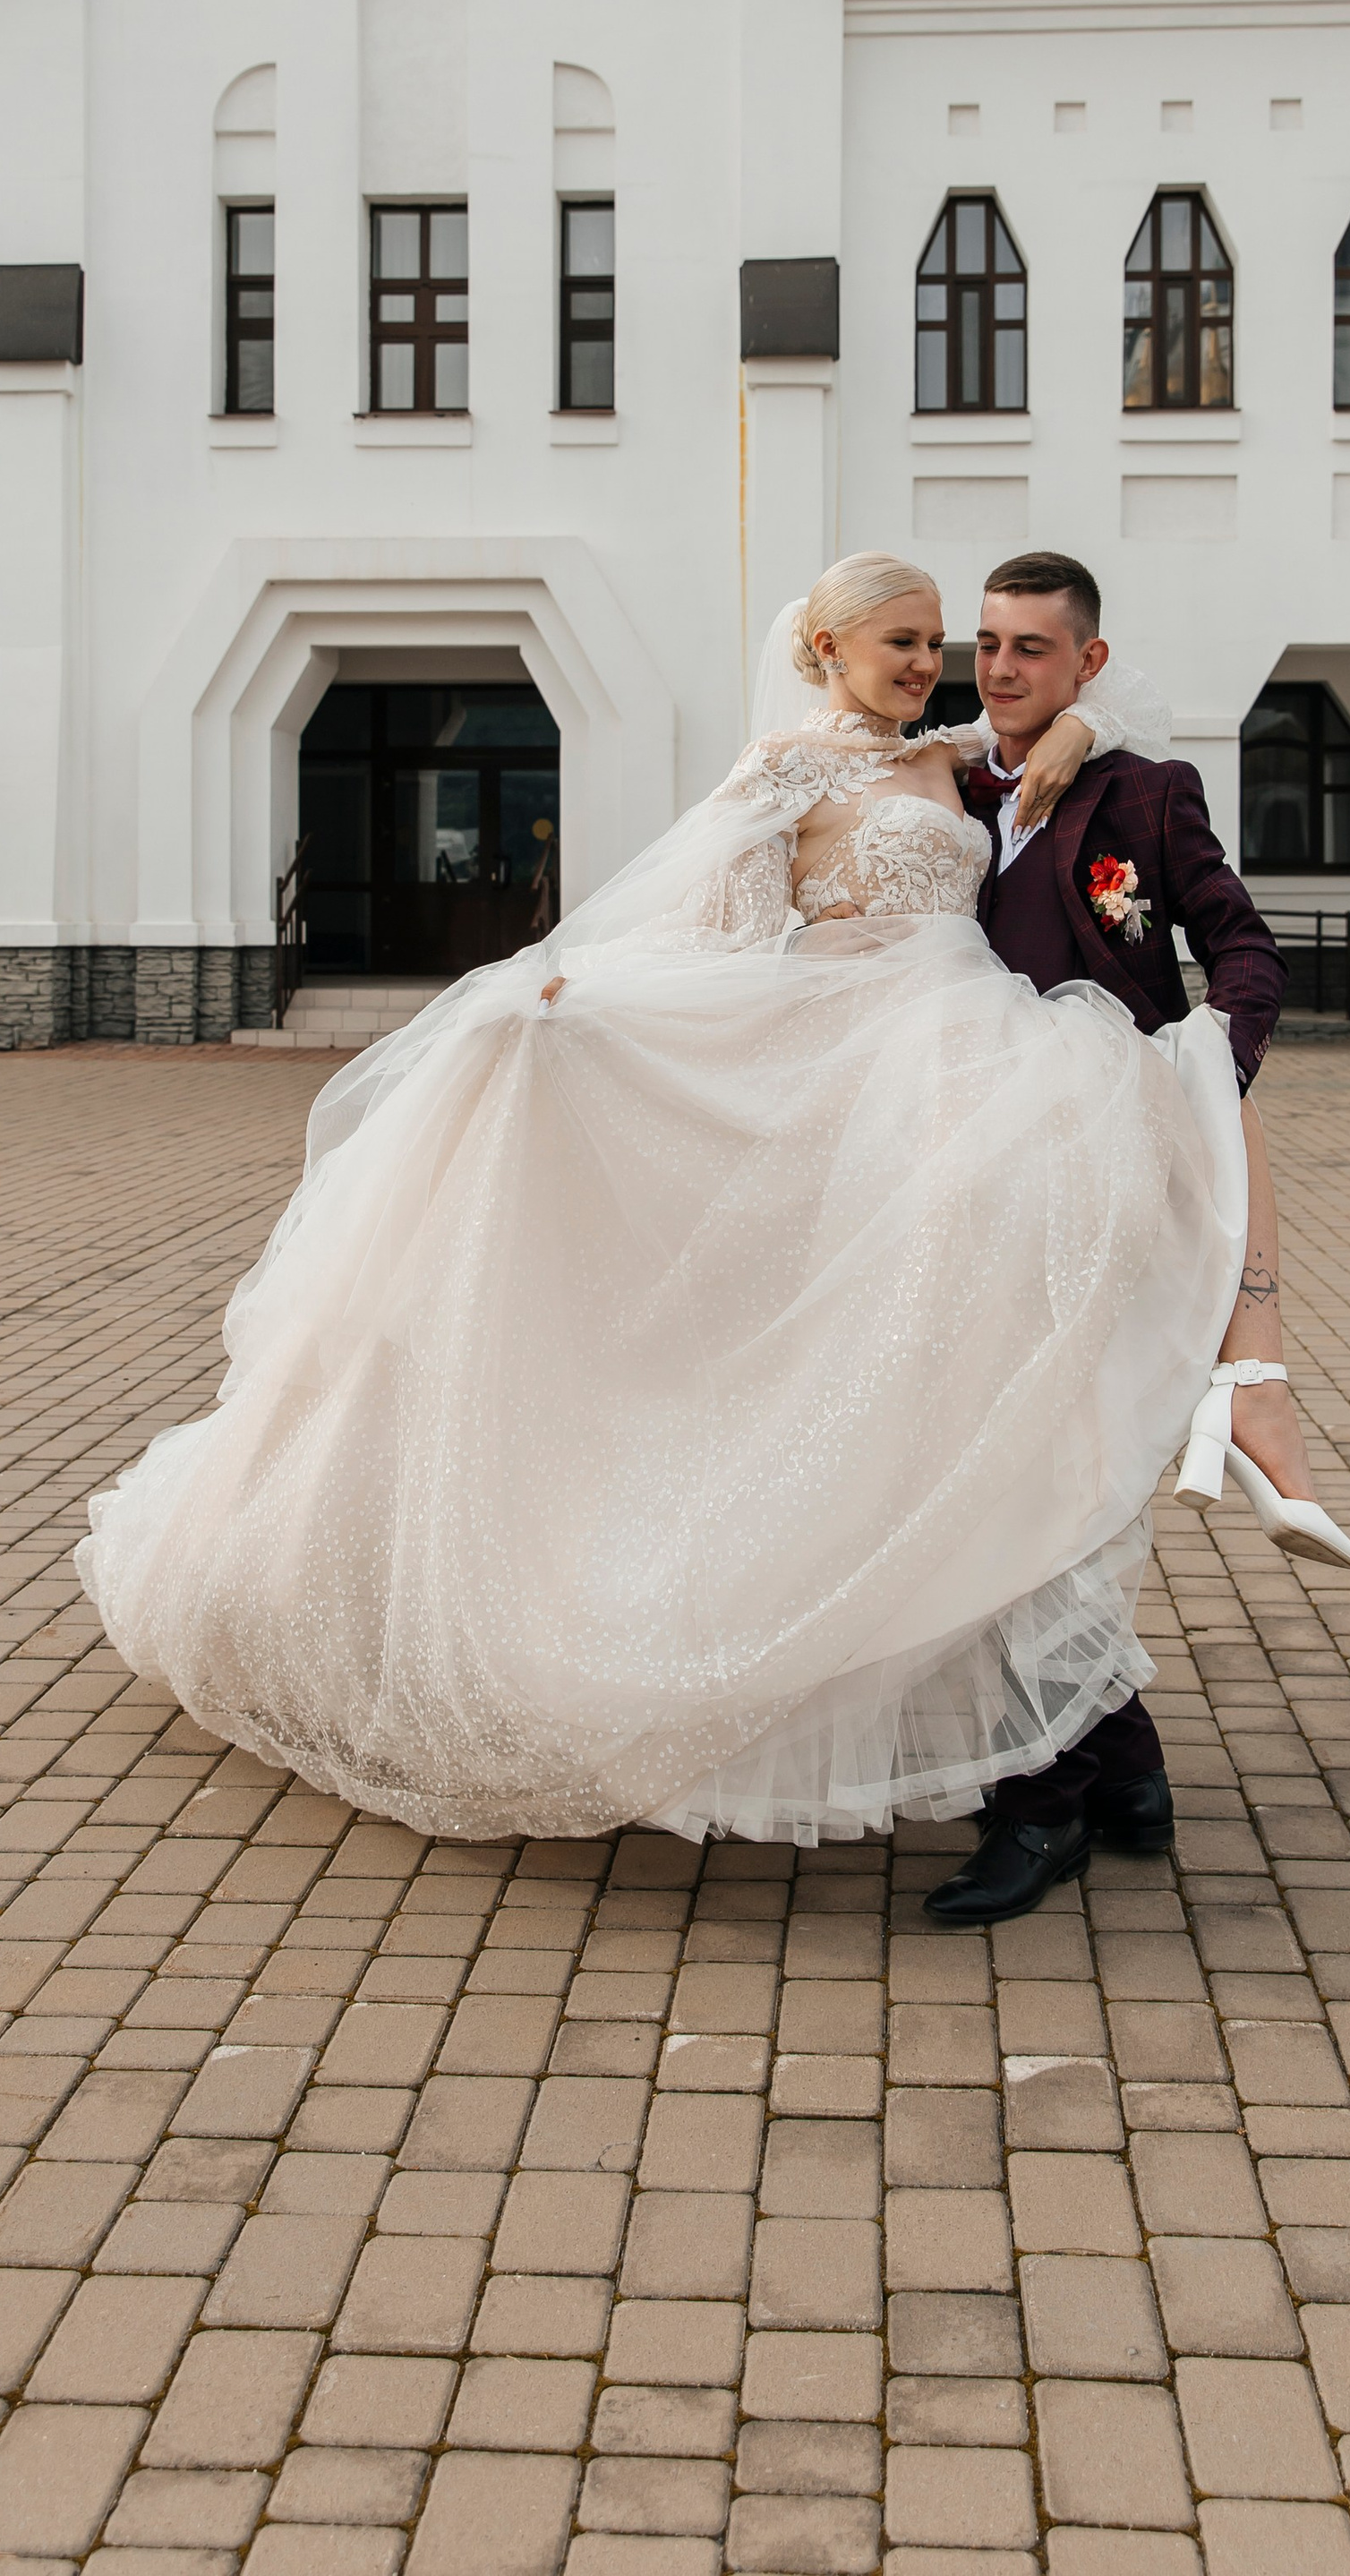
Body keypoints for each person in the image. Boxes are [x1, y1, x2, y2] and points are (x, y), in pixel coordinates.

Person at [75, 553, 1268, 1876]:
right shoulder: (783, 771)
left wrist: (1091, 731)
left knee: (1009, 1402)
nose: (942, 663)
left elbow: (1085, 734)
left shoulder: (970, 760)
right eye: (912, 640)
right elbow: (718, 944)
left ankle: (1091, 1756)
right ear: (823, 647)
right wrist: (583, 1010)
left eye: (951, 642)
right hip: (863, 1092)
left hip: (996, 1082)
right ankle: (1058, 1766)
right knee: (919, 1405)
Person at [920, 551, 1350, 1932]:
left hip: (1104, 1167)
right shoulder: (933, 783)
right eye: (987, 645)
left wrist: (1198, 1080)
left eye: (1031, 650)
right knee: (1008, 1466)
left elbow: (1246, 952)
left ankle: (1040, 1805)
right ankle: (1125, 1771)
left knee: (1054, 1475)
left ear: (1088, 662)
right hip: (958, 1173)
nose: (1001, 670)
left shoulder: (1142, 795)